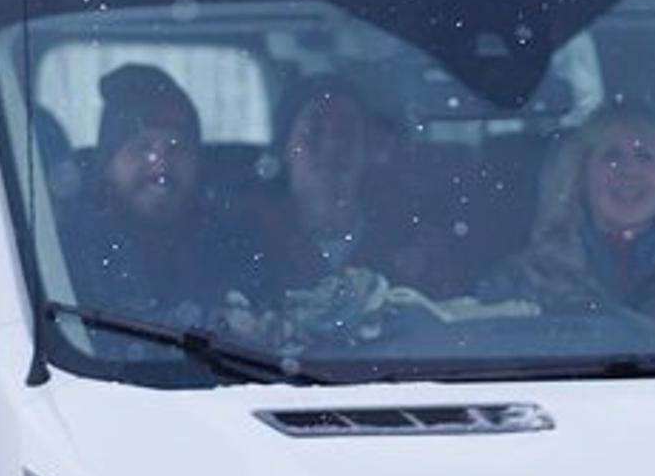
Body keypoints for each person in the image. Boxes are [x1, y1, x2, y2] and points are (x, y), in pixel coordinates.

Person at [479, 104, 655, 312]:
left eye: (644, 156)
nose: (629, 171)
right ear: (580, 177)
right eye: (611, 157)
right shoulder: (524, 279)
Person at [61, 64, 260, 315]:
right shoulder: (68, 252)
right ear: (108, 165)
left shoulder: (235, 248)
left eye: (177, 147)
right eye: (142, 148)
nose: (162, 165)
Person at [253, 75, 456, 297]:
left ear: (368, 150)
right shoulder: (250, 242)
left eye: (346, 131)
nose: (331, 146)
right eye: (314, 130)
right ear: (284, 148)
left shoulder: (413, 241)